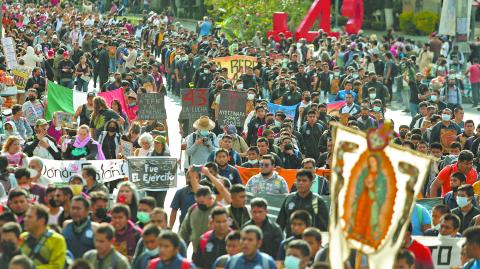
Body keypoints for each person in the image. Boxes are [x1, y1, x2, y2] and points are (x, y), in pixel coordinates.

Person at [278, 169, 329, 237]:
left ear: (311, 183)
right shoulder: (289, 199)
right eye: (299, 180)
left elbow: (324, 227)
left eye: (304, 181)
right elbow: (280, 223)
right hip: (291, 243)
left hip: (310, 243)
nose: (301, 183)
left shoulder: (317, 200)